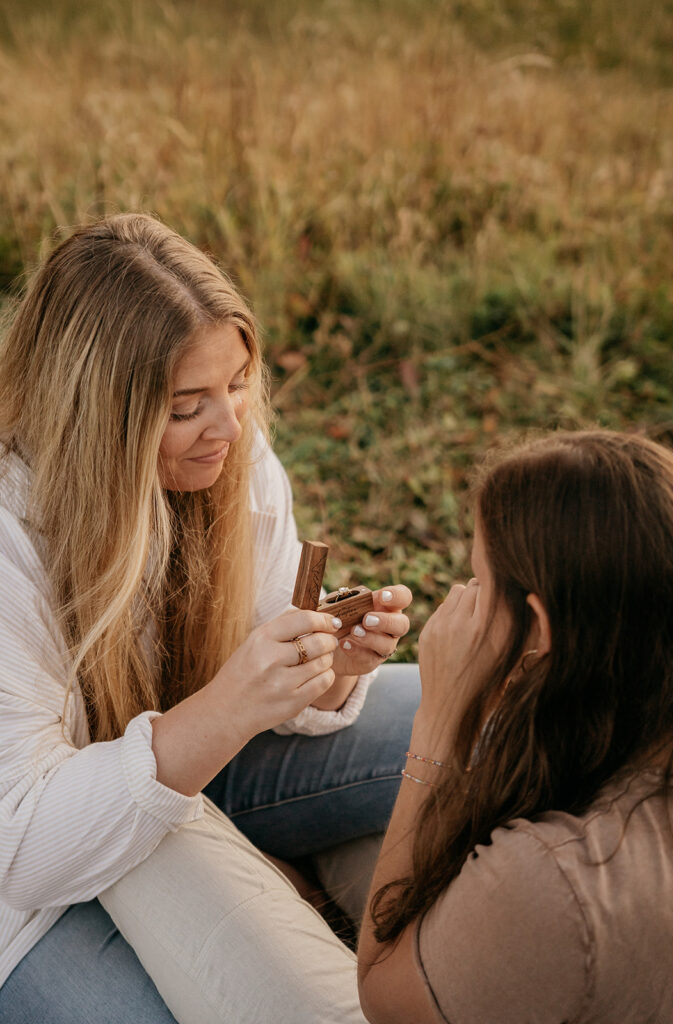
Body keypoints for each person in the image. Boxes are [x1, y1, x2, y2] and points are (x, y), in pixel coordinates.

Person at [0, 213, 419, 1024]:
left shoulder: (228, 453)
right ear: (94, 413)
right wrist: (229, 705)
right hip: (33, 881)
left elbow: (266, 642)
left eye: (235, 385)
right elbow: (27, 851)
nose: (230, 426)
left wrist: (327, 674)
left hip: (204, 767)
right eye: (187, 403)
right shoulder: (11, 534)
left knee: (464, 713)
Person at [358, 430, 673, 1024]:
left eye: (480, 581)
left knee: (181, 853)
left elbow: (382, 996)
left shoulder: (556, 874)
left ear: (539, 626)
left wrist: (439, 725)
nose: (466, 597)